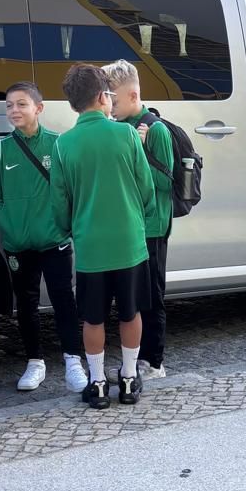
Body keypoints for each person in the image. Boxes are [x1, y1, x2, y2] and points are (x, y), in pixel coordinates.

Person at [50, 64, 154, 410]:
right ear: (102, 97)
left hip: (90, 244)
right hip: (128, 241)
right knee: (130, 312)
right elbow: (146, 188)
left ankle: (96, 383)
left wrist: (70, 227)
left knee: (92, 318)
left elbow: (59, 203)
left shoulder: (63, 145)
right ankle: (126, 378)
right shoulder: (126, 135)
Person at [0, 82, 87, 395]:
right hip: (18, 244)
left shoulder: (58, 145)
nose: (14, 111)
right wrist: (11, 226)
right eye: (9, 106)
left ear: (38, 109)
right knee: (26, 304)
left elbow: (70, 189)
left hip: (54, 240)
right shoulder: (0, 151)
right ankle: (35, 361)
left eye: (21, 104)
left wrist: (61, 225)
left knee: (63, 300)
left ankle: (73, 360)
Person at [104, 60, 173, 381]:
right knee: (137, 297)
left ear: (133, 95)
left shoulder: (155, 130)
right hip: (133, 225)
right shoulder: (122, 129)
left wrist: (143, 150)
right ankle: (139, 358)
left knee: (152, 295)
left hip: (153, 227)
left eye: (114, 100)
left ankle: (154, 361)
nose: (110, 106)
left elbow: (165, 182)